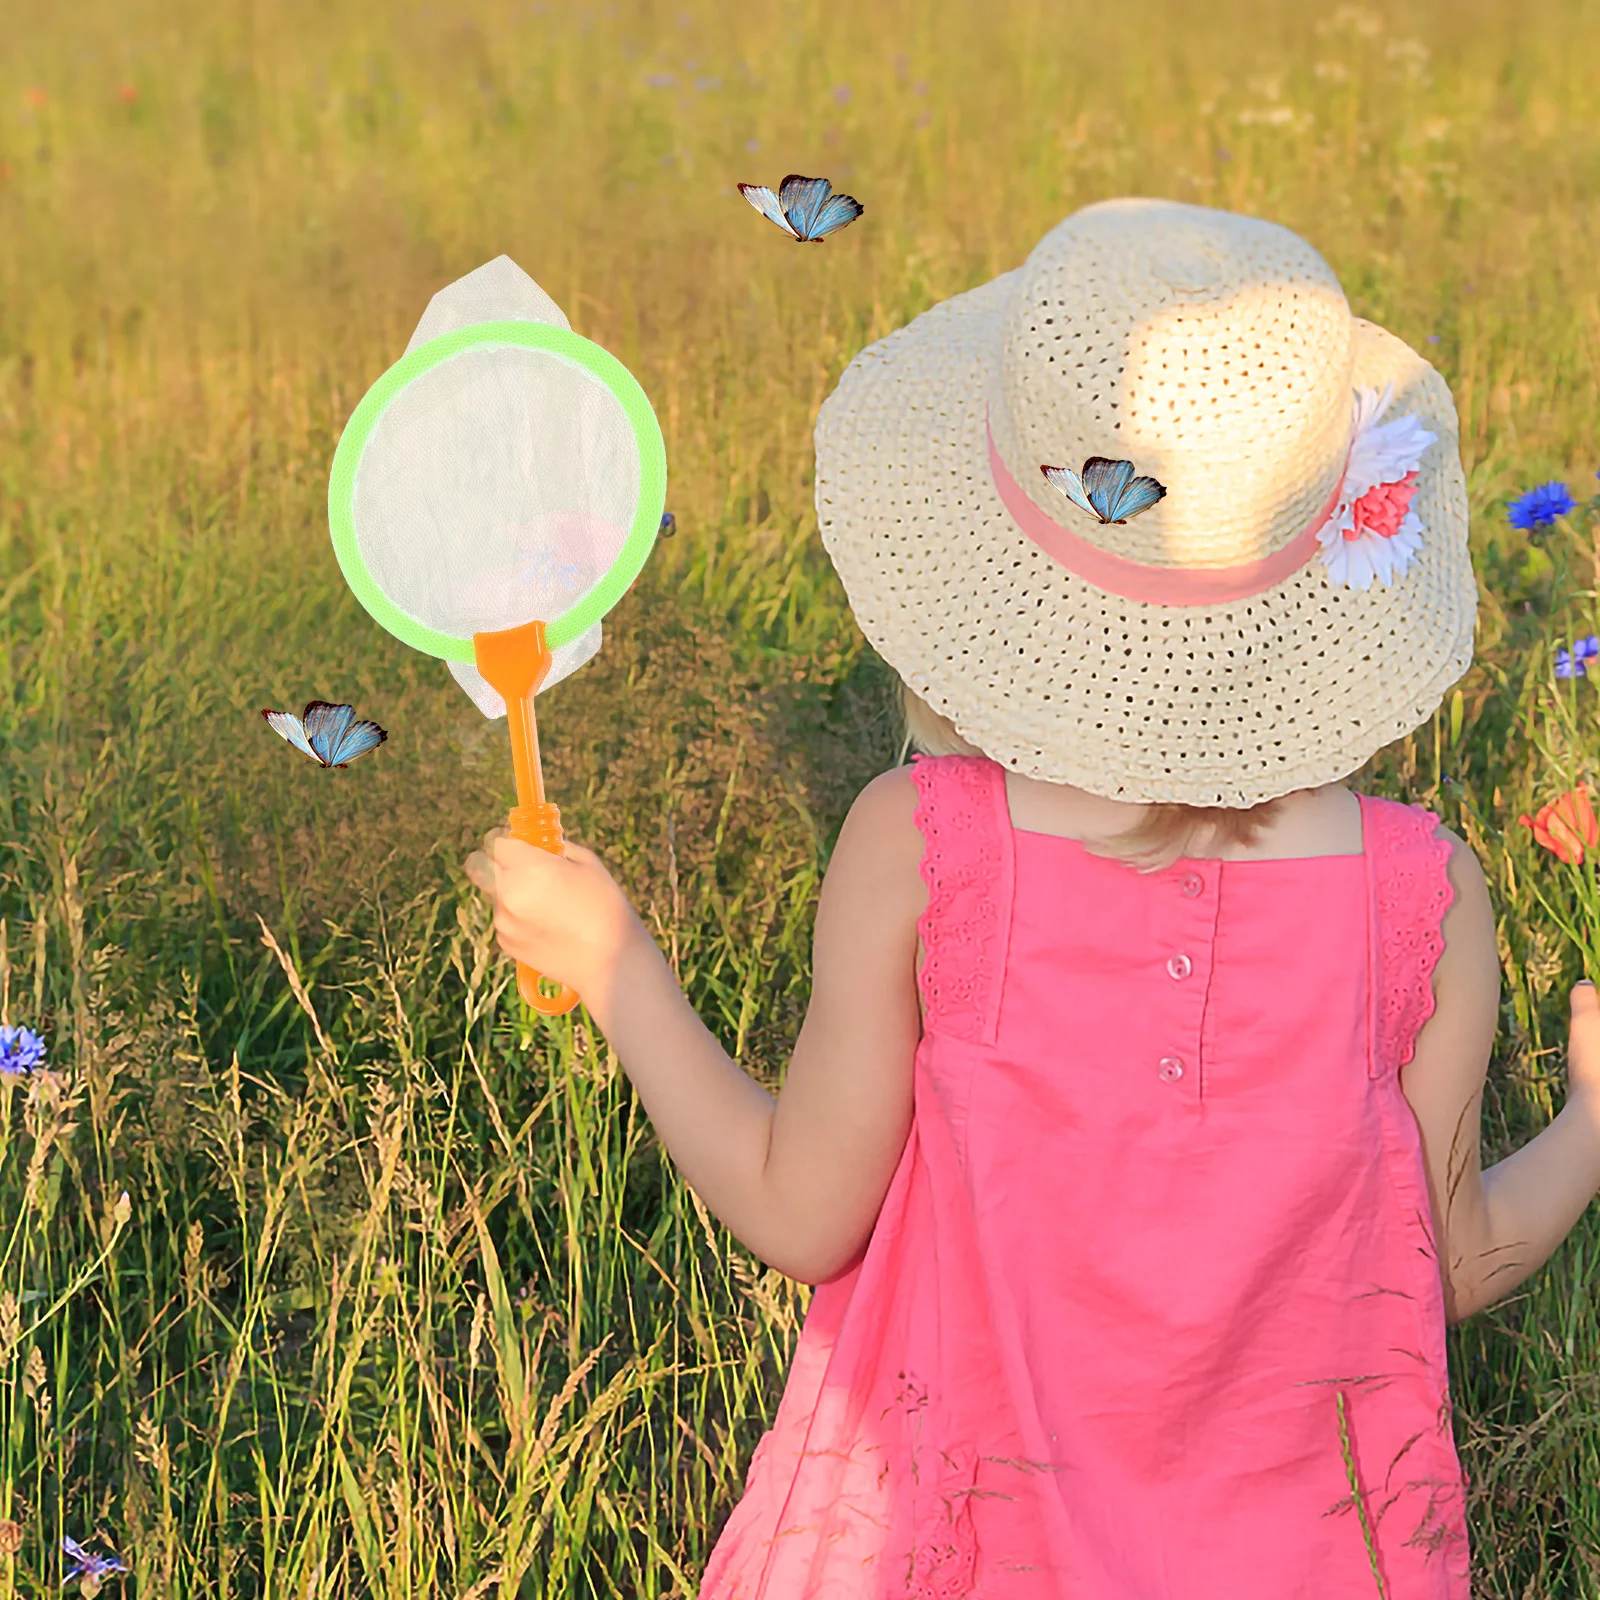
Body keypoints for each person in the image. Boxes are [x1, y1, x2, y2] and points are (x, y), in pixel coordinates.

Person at [463, 198, 1600, 1597]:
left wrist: (614, 963)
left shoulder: (925, 845)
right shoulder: (1424, 892)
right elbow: (1453, 1260)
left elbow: (803, 1212)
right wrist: (1595, 1119)